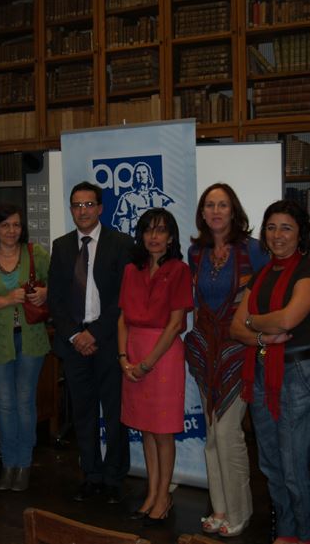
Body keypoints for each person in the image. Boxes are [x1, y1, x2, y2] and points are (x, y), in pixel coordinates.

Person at [230, 199, 310, 544]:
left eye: (286, 227)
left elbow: (288, 319)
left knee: (294, 466)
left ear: (300, 233)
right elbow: (234, 327)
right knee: (271, 464)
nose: (277, 234)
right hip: (261, 372)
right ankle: (286, 533)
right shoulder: (261, 275)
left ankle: (308, 536)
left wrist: (252, 322)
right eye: (271, 227)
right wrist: (261, 335)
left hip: (299, 373)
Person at [184, 183, 268, 537]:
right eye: (210, 205)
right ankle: (219, 509)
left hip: (238, 350)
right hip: (205, 350)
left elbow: (268, 295)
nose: (216, 211)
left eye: (222, 205)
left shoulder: (254, 250)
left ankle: (239, 511)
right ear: (202, 214)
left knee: (227, 431)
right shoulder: (196, 252)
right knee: (211, 434)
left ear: (233, 210)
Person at [47, 181, 133, 504]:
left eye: (88, 205)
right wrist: (74, 335)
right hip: (74, 344)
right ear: (71, 210)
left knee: (114, 414)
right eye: (76, 205)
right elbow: (55, 299)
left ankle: (113, 478)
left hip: (108, 341)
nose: (82, 211)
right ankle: (91, 475)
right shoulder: (62, 246)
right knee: (82, 414)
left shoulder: (120, 243)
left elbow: (123, 298)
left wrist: (94, 333)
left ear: (100, 208)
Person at [118, 208, 193, 526]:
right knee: (146, 429)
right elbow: (122, 318)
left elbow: (176, 324)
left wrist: (147, 363)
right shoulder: (131, 270)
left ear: (171, 236)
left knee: (162, 432)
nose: (154, 236)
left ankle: (163, 497)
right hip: (133, 351)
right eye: (148, 230)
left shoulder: (179, 270)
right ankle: (152, 493)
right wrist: (123, 358)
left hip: (162, 356)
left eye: (161, 230)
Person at [0, 204, 50, 492]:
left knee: (25, 401)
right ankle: (8, 464)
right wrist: (5, 300)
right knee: (5, 404)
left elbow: (59, 285)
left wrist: (45, 292)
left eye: (16, 225)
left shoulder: (35, 253)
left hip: (31, 339)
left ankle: (24, 464)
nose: (11, 230)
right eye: (5, 225)